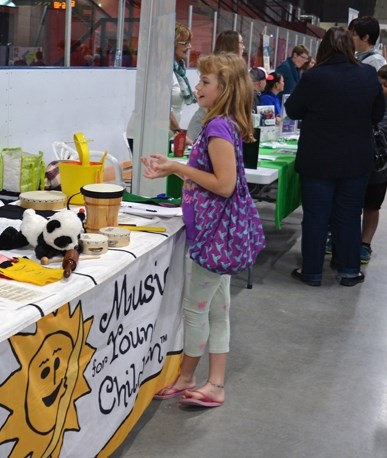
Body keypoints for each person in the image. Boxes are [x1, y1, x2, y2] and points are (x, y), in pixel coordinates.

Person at [141, 53, 259, 408]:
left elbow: (224, 184)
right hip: (218, 232)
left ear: (224, 89)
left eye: (206, 82)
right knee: (217, 309)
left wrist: (180, 167)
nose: (198, 87)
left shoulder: (217, 128)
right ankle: (214, 382)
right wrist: (175, 169)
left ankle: (191, 377)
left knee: (196, 309)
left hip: (214, 235)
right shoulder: (222, 125)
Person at [286, 27, 384, 287]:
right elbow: (378, 114)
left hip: (318, 160)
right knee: (350, 215)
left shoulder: (314, 76)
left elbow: (293, 110)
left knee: (317, 216)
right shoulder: (368, 75)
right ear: (350, 47)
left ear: (323, 49)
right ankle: (350, 270)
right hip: (355, 159)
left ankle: (312, 272)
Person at [361, 63, 387, 264]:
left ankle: (365, 244)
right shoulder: (365, 99)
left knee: (371, 207)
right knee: (349, 205)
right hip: (357, 164)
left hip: (379, 169)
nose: (380, 87)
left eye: (385, 85)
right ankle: (337, 237)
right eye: (378, 83)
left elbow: (383, 135)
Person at [187, 30, 245, 141]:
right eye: (240, 43)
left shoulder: (219, 126)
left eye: (205, 82)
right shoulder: (217, 126)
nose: (243, 47)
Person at [171, 24, 196, 136]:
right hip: (149, 133)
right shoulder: (163, 71)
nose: (190, 47)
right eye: (185, 43)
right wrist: (179, 132)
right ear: (173, 44)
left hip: (166, 133)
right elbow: (163, 109)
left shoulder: (178, 71)